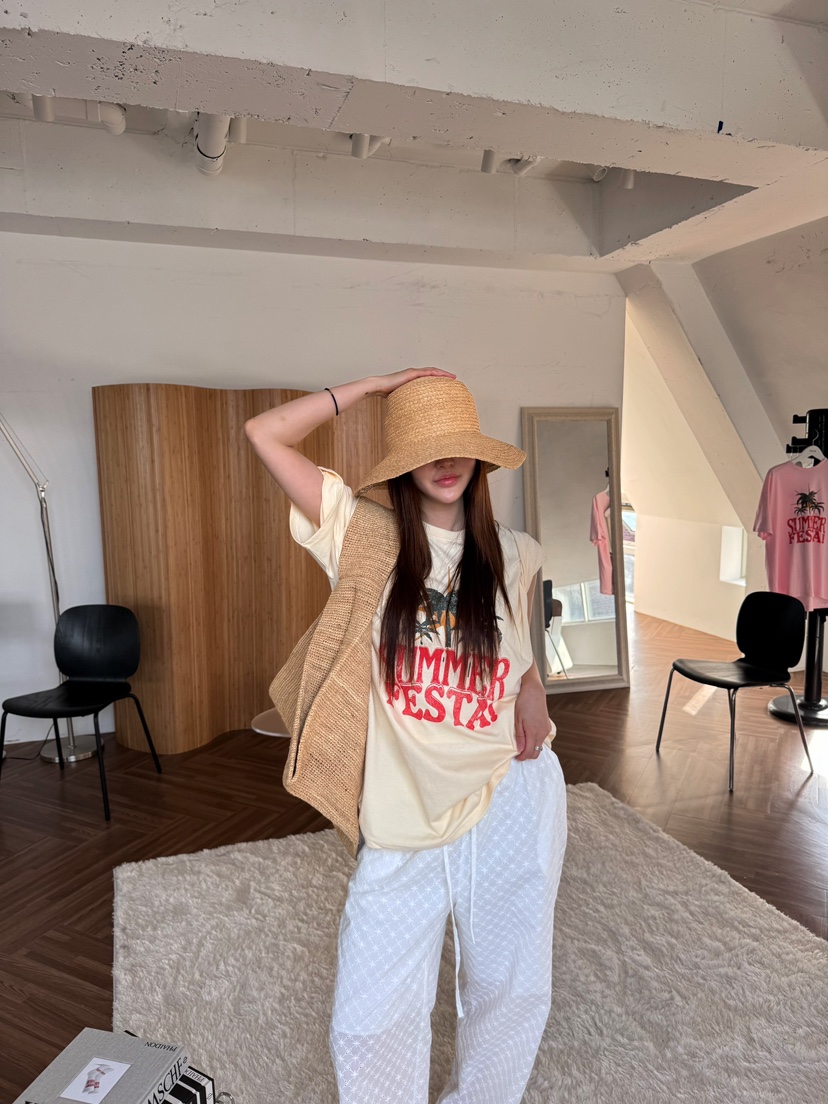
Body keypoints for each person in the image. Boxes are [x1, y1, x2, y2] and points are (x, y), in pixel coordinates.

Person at [245, 368, 568, 1104]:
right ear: (402, 462)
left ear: (479, 454)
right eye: (426, 448)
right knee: (368, 1016)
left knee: (513, 985)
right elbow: (265, 434)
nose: (446, 461)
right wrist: (374, 386)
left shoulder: (516, 551)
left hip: (511, 789)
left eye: (458, 445)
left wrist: (533, 690)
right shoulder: (363, 535)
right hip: (403, 807)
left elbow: (519, 643)